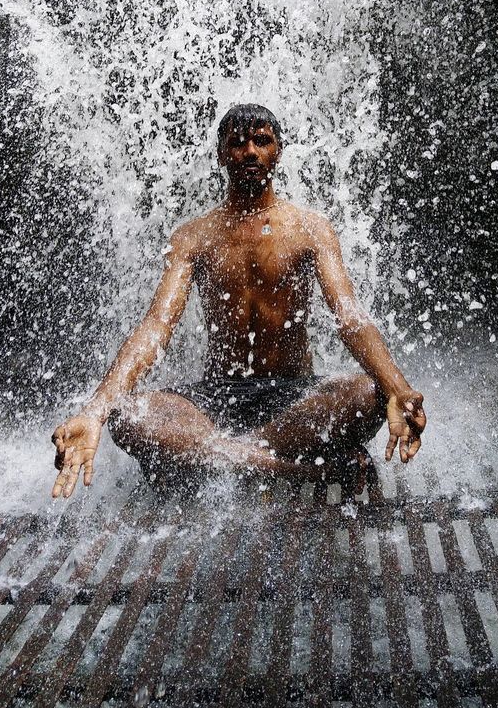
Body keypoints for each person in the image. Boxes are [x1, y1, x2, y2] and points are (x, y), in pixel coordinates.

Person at [51, 104, 426, 498]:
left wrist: (398, 388)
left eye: (262, 141)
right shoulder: (193, 237)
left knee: (368, 393)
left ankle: (219, 461)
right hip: (216, 399)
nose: (250, 152)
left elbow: (349, 316)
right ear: (221, 155)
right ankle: (293, 468)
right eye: (237, 143)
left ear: (278, 151)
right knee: (126, 416)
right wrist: (95, 409)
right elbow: (157, 326)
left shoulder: (310, 230)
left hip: (294, 398)